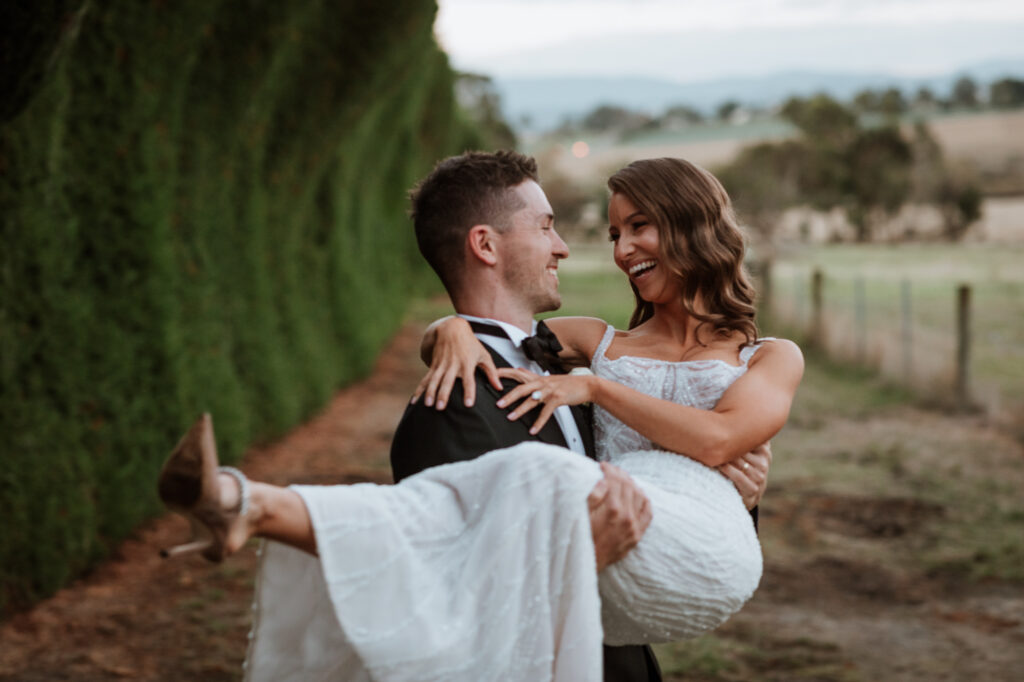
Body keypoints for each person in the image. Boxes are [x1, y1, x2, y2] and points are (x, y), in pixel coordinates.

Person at [157, 152, 799, 682]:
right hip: (580, 631)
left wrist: (595, 394)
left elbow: (715, 447)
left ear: (693, 226)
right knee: (533, 481)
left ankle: (252, 505)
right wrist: (448, 330)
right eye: (609, 233)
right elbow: (449, 569)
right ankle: (248, 505)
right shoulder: (554, 360)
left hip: (673, 576)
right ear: (486, 244)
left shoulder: (756, 357)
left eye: (639, 227)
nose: (600, 250)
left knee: (544, 479)